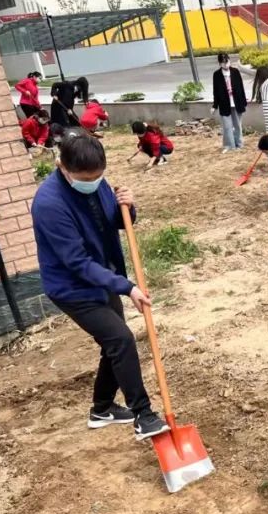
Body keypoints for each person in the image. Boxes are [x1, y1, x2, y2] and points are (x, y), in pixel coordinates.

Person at [30, 129, 168, 441]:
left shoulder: (96, 182)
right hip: (73, 288)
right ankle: (143, 414)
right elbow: (76, 262)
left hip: (104, 277)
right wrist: (126, 287)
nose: (93, 182)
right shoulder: (49, 204)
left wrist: (127, 207)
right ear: (63, 168)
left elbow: (115, 220)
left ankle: (102, 409)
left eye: (99, 175)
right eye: (86, 177)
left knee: (113, 343)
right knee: (121, 339)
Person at [212, 53, 247, 153]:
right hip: (224, 104)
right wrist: (215, 105)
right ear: (219, 64)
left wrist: (244, 101)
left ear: (229, 60)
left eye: (226, 62)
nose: (225, 65)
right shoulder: (217, 75)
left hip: (236, 102)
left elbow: (241, 87)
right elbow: (216, 91)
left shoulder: (235, 72)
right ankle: (229, 145)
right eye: (223, 63)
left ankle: (239, 144)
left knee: (237, 125)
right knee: (227, 126)